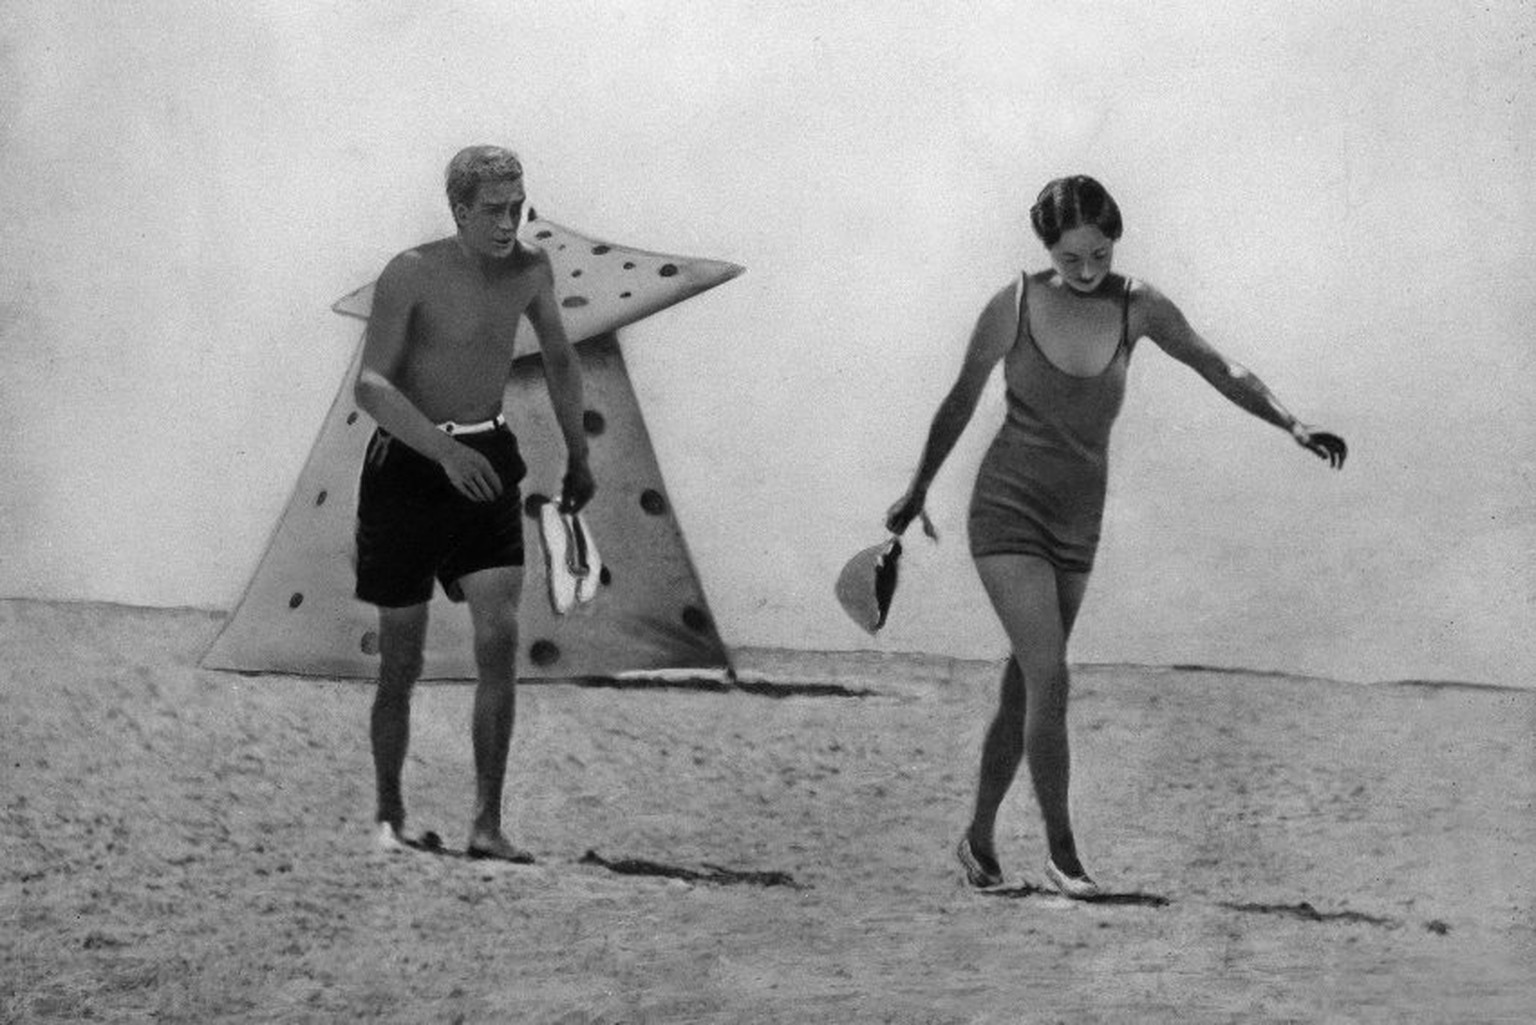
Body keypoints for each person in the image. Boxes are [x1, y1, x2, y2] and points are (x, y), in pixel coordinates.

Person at [885, 175, 1346, 898]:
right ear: (1047, 249)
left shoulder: (1141, 306)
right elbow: (961, 396)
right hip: (1006, 509)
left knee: (1026, 685)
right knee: (1050, 677)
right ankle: (1063, 854)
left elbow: (1217, 364)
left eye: (1100, 252)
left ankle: (977, 839)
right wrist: (916, 489)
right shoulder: (1013, 305)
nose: (1089, 269)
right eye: (1072, 258)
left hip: (1078, 519)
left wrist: (1292, 421)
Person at [352, 145, 596, 861]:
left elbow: (559, 357)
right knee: (402, 659)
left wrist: (579, 455)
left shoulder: (529, 270)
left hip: (487, 461)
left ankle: (487, 823)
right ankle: (391, 812)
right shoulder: (412, 272)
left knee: (497, 642)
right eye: (493, 210)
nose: (508, 222)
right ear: (458, 209)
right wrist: (443, 451)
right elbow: (372, 386)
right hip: (407, 465)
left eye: (517, 208)